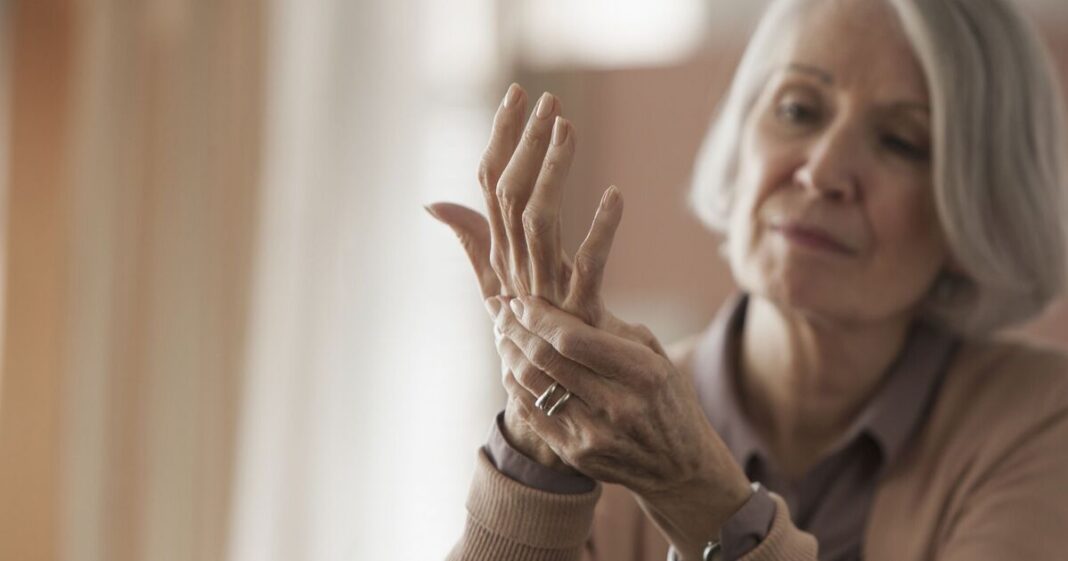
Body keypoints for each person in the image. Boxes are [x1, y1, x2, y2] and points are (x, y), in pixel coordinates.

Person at [426, 0, 1068, 558]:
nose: (823, 170)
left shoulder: (1039, 421)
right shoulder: (608, 421)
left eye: (900, 141)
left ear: (979, 208)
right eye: (798, 109)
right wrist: (537, 446)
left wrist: (697, 492)